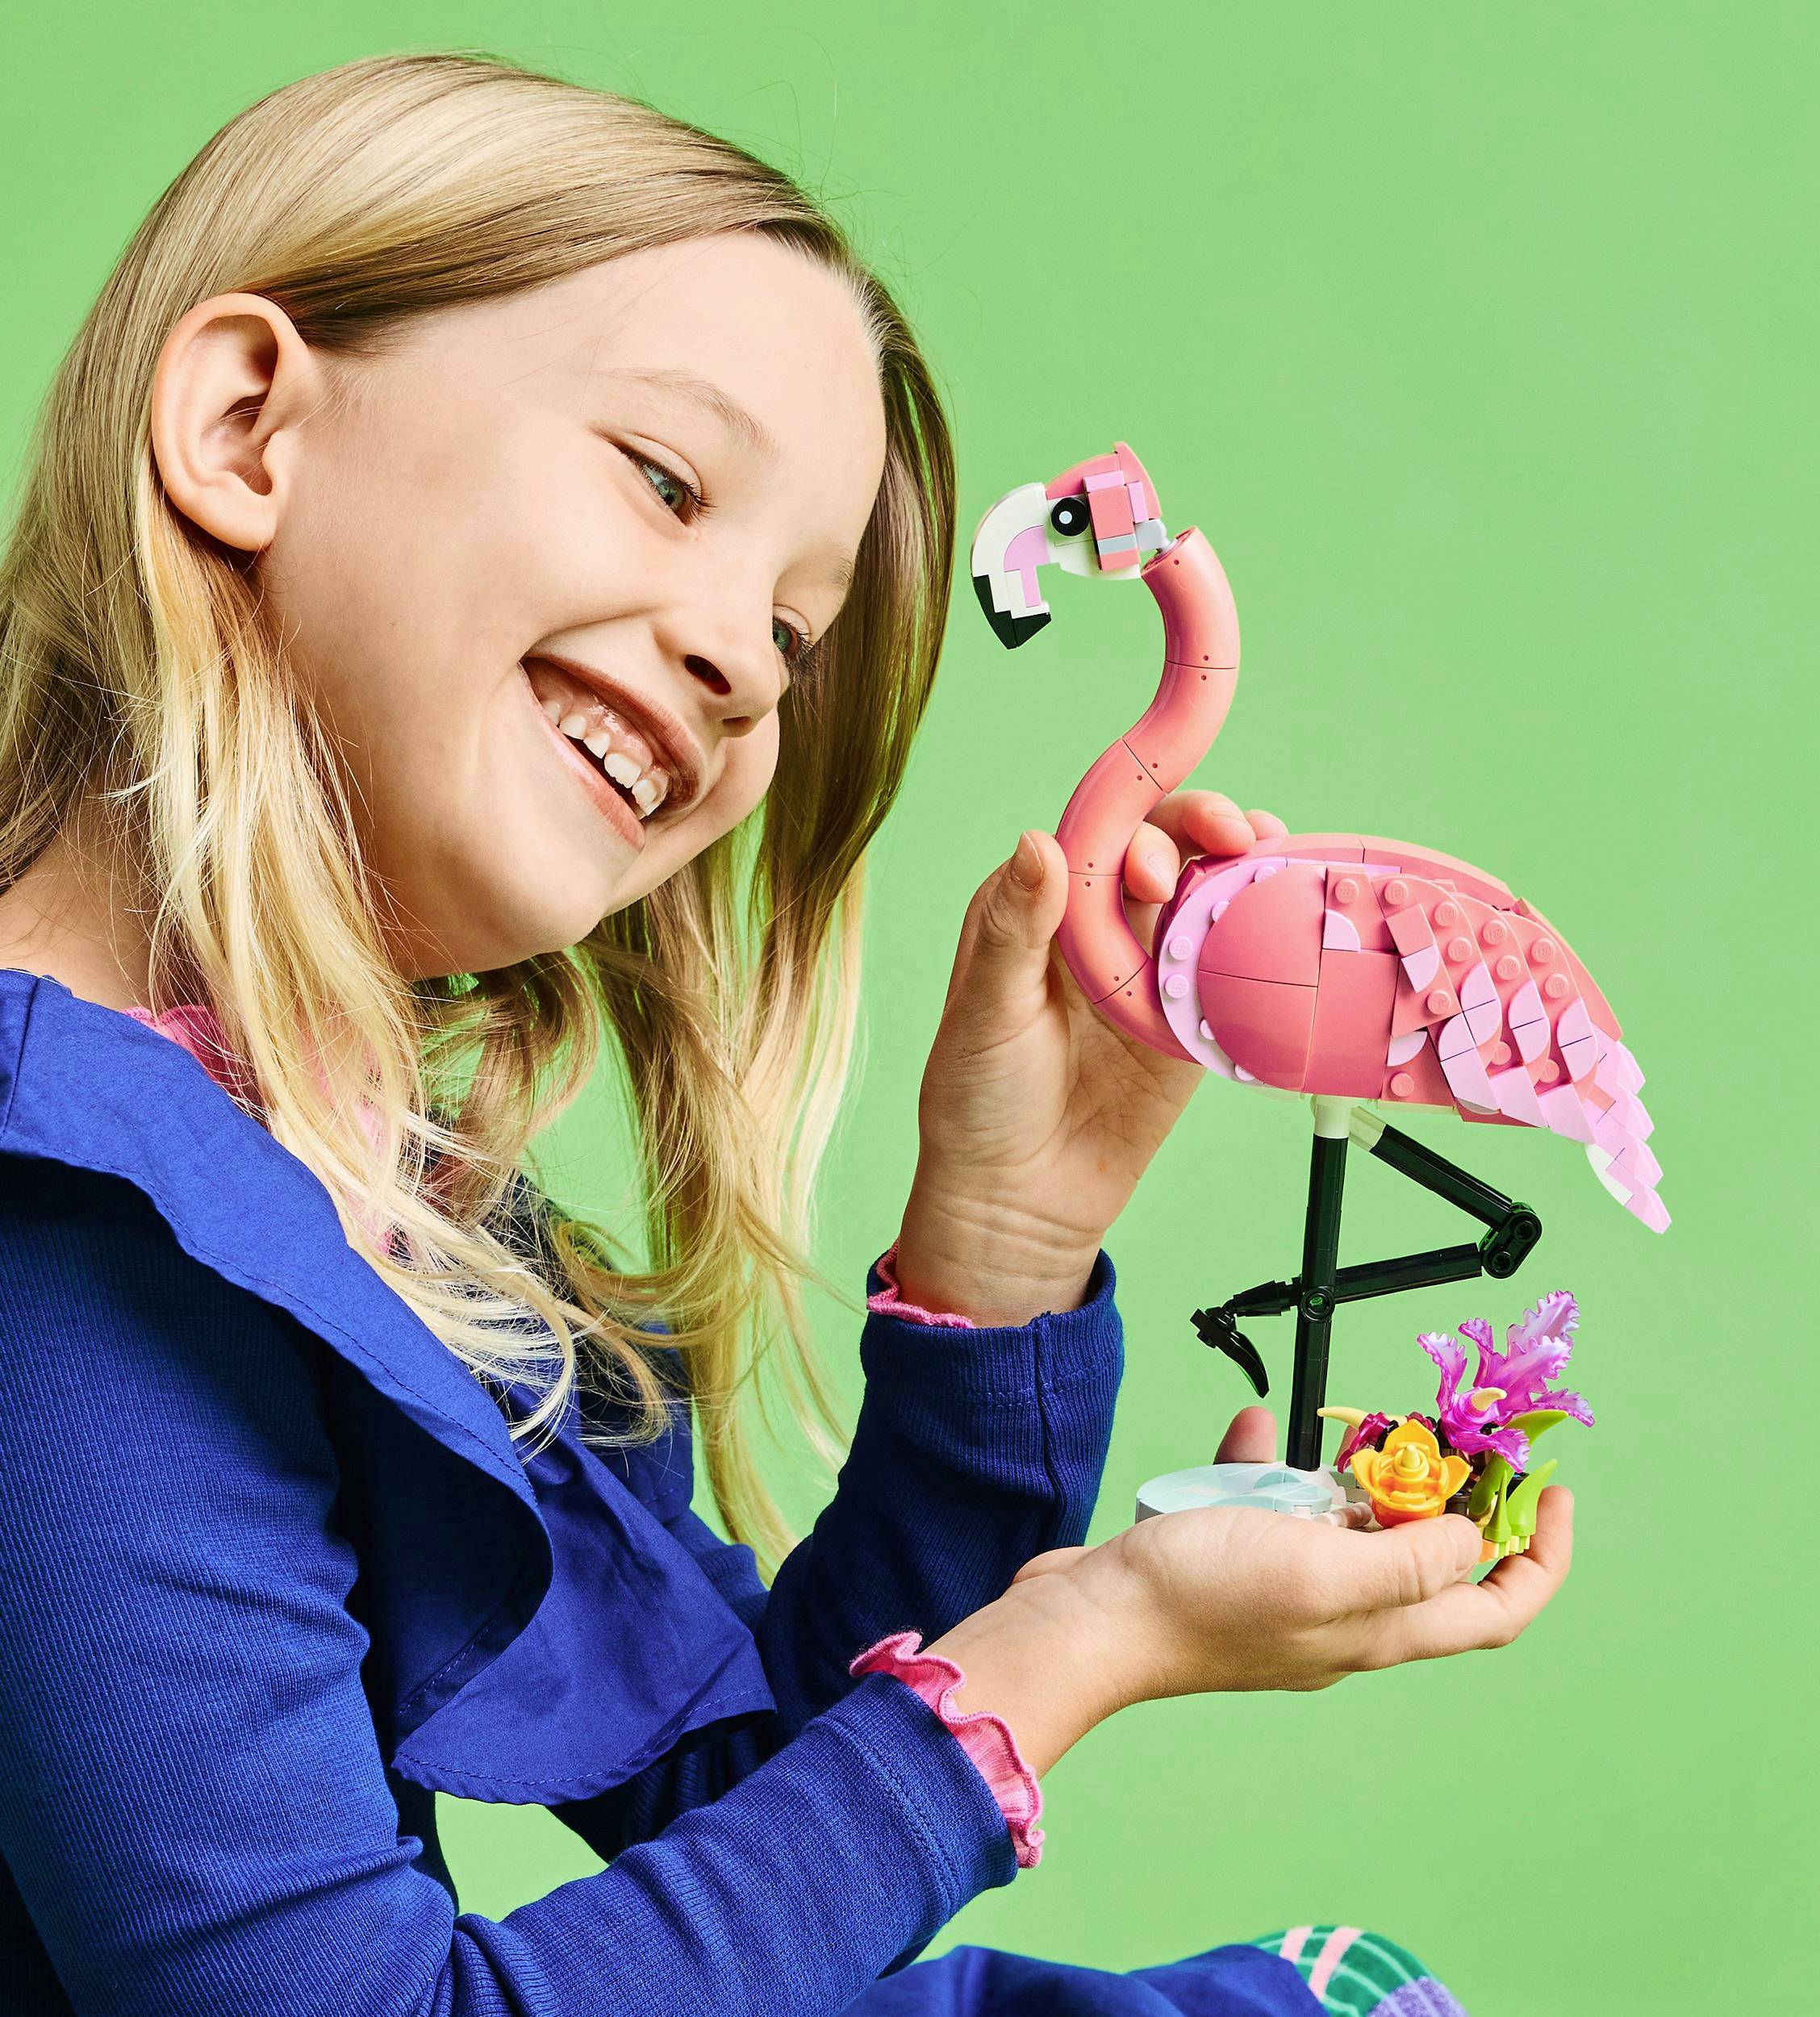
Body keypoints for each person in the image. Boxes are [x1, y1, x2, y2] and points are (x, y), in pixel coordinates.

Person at [0, 52, 1571, 2017]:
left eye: (796, 634)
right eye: (665, 479)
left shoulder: (315, 1160)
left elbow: (747, 1803)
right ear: (246, 425)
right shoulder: (69, 1228)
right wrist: (1074, 1642)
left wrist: (998, 1263)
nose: (745, 664)